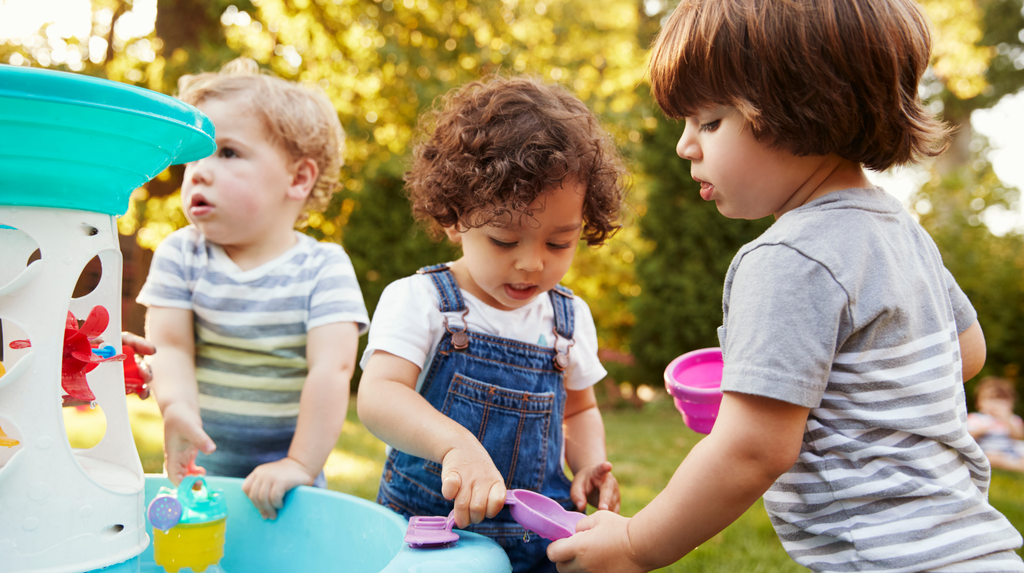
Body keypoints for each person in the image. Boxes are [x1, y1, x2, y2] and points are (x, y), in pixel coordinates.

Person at [547, 1, 1024, 572]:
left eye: (710, 122)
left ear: (800, 109)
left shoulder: (786, 257)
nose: (684, 145)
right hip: (971, 547)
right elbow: (966, 354)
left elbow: (752, 450)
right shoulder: (899, 229)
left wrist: (633, 544)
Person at [356, 75, 625, 573]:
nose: (531, 264)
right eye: (505, 241)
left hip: (538, 541)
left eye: (558, 243)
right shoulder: (420, 301)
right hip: (433, 539)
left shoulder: (568, 318)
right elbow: (378, 396)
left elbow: (578, 411)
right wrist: (456, 444)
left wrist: (589, 463)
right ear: (456, 218)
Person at [137, 58, 369, 520]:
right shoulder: (181, 254)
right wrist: (176, 407)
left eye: (226, 153)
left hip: (287, 490)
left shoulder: (323, 267)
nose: (199, 172)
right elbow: (171, 347)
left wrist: (299, 463)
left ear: (298, 178)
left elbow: (332, 368)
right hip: (200, 475)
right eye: (194, 156)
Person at [968, 376, 1024, 473]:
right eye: (990, 399)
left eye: (1001, 400)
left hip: (1010, 452)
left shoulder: (1012, 419)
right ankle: (1015, 467)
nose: (995, 404)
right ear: (978, 403)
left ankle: (1014, 464)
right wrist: (982, 430)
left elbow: (1019, 436)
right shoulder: (977, 418)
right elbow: (967, 436)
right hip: (989, 451)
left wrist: (1007, 419)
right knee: (992, 458)